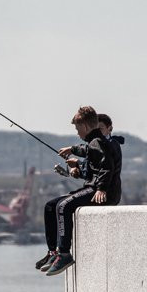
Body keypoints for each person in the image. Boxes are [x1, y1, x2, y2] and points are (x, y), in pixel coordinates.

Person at [36, 107, 123, 276]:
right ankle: (52, 252)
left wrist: (101, 188)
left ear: (84, 126)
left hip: (101, 193)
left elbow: (107, 166)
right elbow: (89, 152)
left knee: (63, 206)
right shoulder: (95, 141)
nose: (77, 133)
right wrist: (73, 151)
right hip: (94, 189)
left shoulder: (97, 141)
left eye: (77, 129)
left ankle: (64, 254)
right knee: (50, 206)